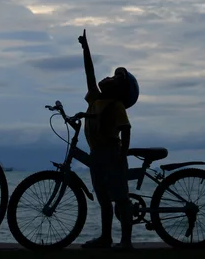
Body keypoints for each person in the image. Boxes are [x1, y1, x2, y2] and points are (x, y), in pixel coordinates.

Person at [77, 29, 139, 251]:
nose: (108, 77)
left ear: (118, 89)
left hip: (112, 153)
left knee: (121, 198)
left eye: (114, 78)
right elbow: (89, 73)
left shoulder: (115, 105)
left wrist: (123, 154)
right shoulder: (96, 98)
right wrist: (86, 49)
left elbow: (125, 130)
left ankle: (126, 241)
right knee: (103, 198)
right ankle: (105, 238)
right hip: (97, 154)